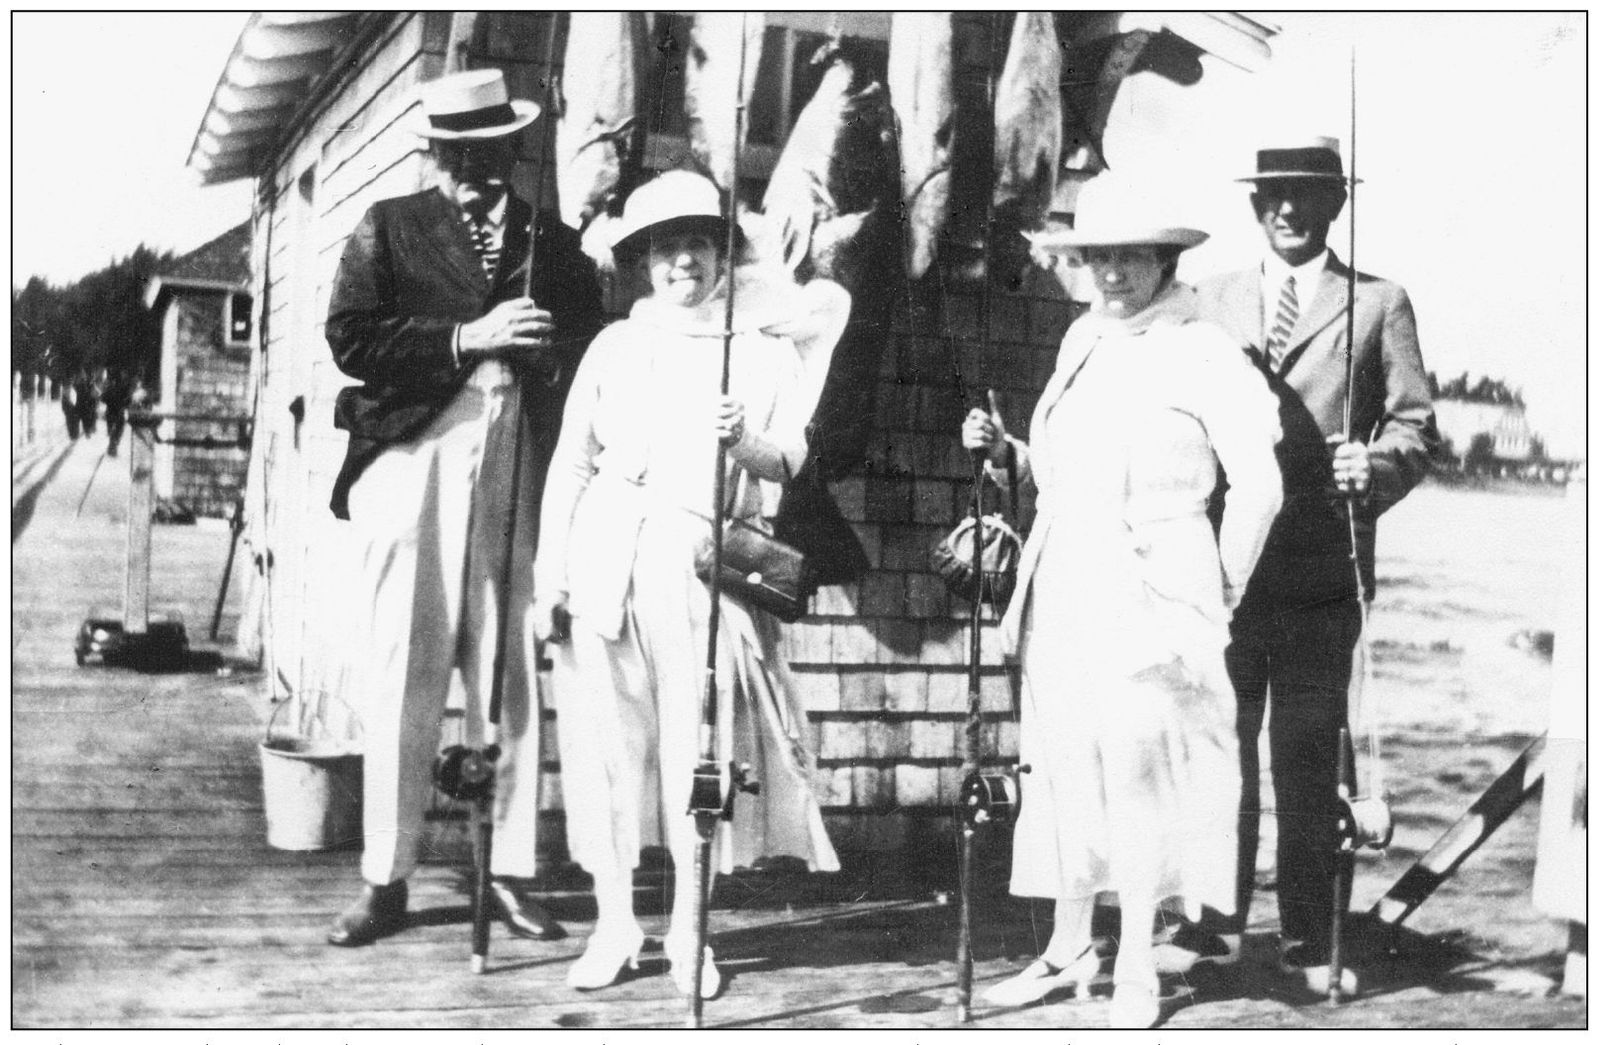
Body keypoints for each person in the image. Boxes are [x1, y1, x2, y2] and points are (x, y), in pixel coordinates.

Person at [961, 201, 1283, 1028]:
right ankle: (1070, 946)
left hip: (1156, 591)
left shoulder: (1203, 349)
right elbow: (1071, 474)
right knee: (1066, 767)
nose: (1112, 273)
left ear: (1165, 263)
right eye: (1099, 256)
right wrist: (1009, 454)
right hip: (1066, 581)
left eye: (1132, 257)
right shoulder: (1082, 341)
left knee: (1139, 775)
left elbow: (1260, 486)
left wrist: (1221, 584)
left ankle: (1137, 959)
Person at [533, 170, 841, 999]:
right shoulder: (615, 344)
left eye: (698, 244)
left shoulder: (763, 348)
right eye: (665, 248)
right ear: (641, 260)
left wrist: (744, 442)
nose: (682, 262)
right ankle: (614, 925)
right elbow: (572, 462)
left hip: (698, 568)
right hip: (606, 559)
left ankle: (689, 932)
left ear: (720, 254)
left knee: (695, 756)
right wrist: (547, 575)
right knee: (606, 754)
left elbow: (791, 461)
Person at [322, 69, 604, 947]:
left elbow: (591, 357)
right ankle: (387, 876)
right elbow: (350, 336)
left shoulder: (551, 245)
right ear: (436, 157)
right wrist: (464, 338)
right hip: (416, 458)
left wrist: (548, 357)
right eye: (458, 156)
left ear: (514, 152)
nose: (476, 171)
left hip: (519, 462)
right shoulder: (390, 229)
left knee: (509, 671)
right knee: (405, 669)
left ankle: (507, 870)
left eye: (492, 154)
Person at [1195, 137, 1437, 993]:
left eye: (1305, 195)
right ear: (1253, 206)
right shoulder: (1206, 298)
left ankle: (1306, 938)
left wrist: (1373, 469)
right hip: (1220, 562)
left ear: (1335, 203)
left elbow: (1415, 427)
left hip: (1321, 567)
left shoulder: (1379, 302)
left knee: (1304, 756)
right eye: (1271, 196)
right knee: (1217, 749)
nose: (1286, 210)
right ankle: (1211, 929)